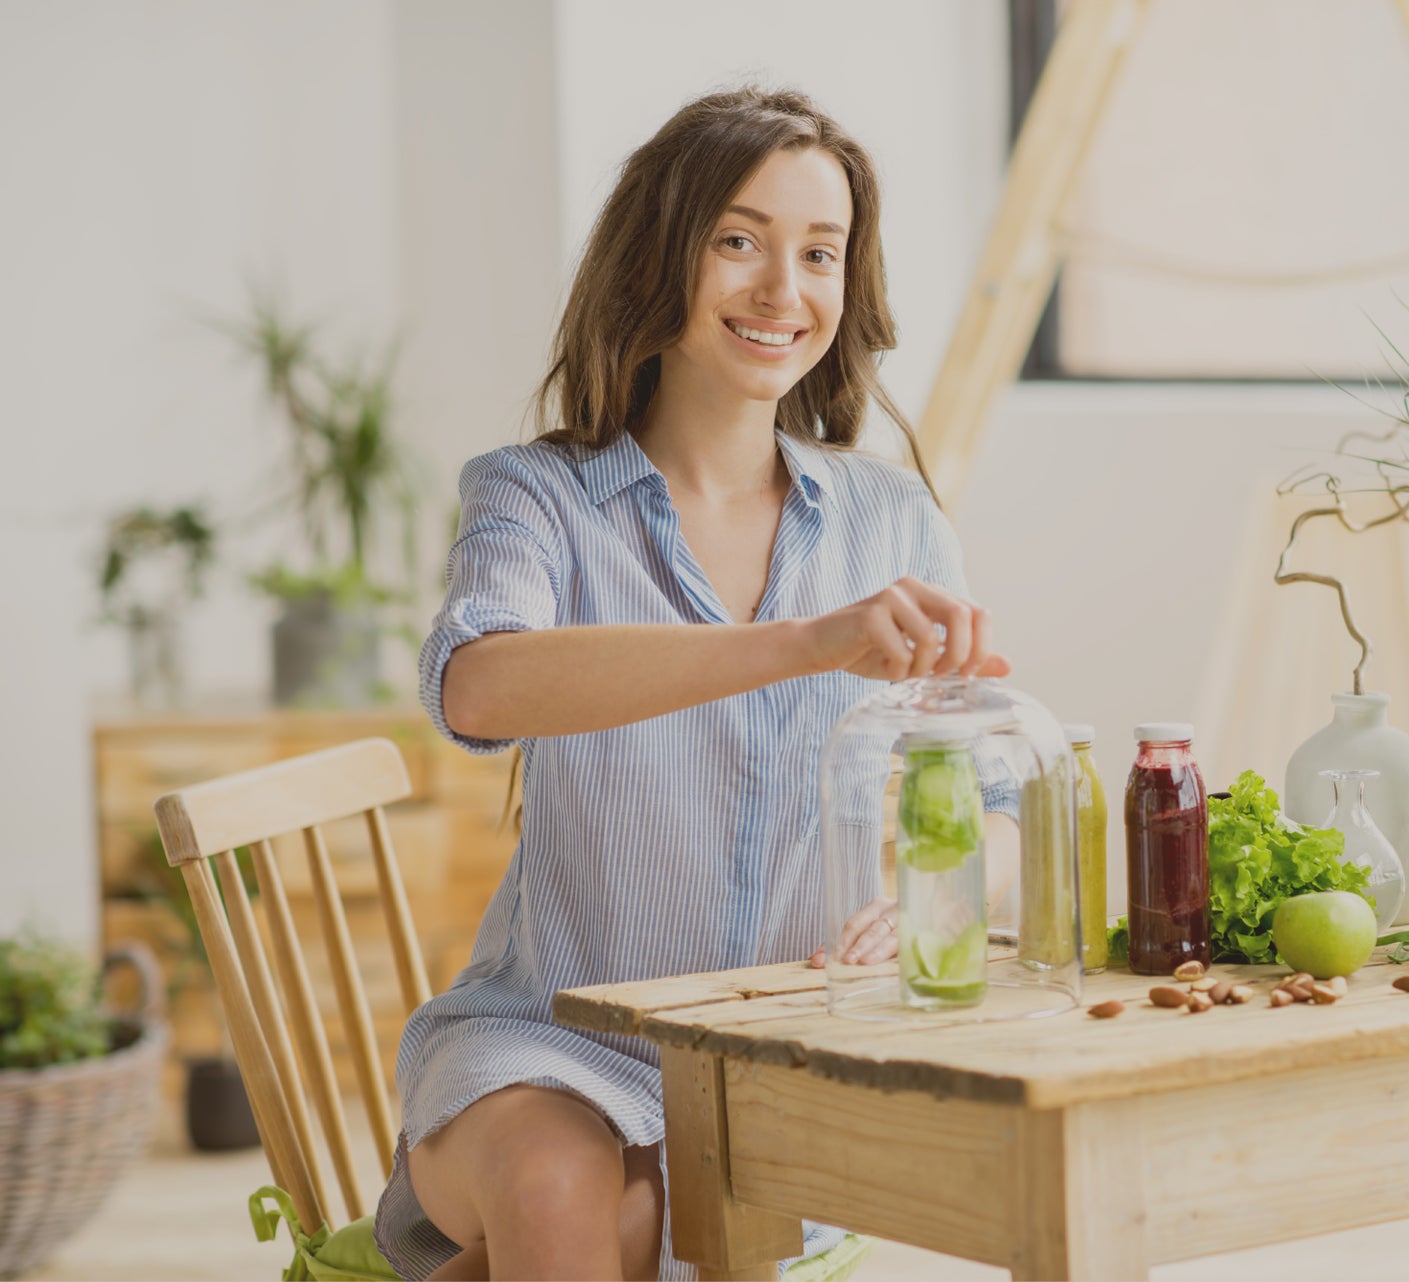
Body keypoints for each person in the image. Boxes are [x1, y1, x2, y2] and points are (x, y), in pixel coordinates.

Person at [372, 87, 1012, 1281]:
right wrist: (804, 642)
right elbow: (479, 687)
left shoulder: (893, 518)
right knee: (559, 1182)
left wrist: (920, 905)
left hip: (773, 1063)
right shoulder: (535, 495)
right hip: (542, 1038)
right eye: (738, 240)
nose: (783, 289)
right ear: (658, 257)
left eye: (819, 253)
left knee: (639, 1222)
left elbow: (990, 804)